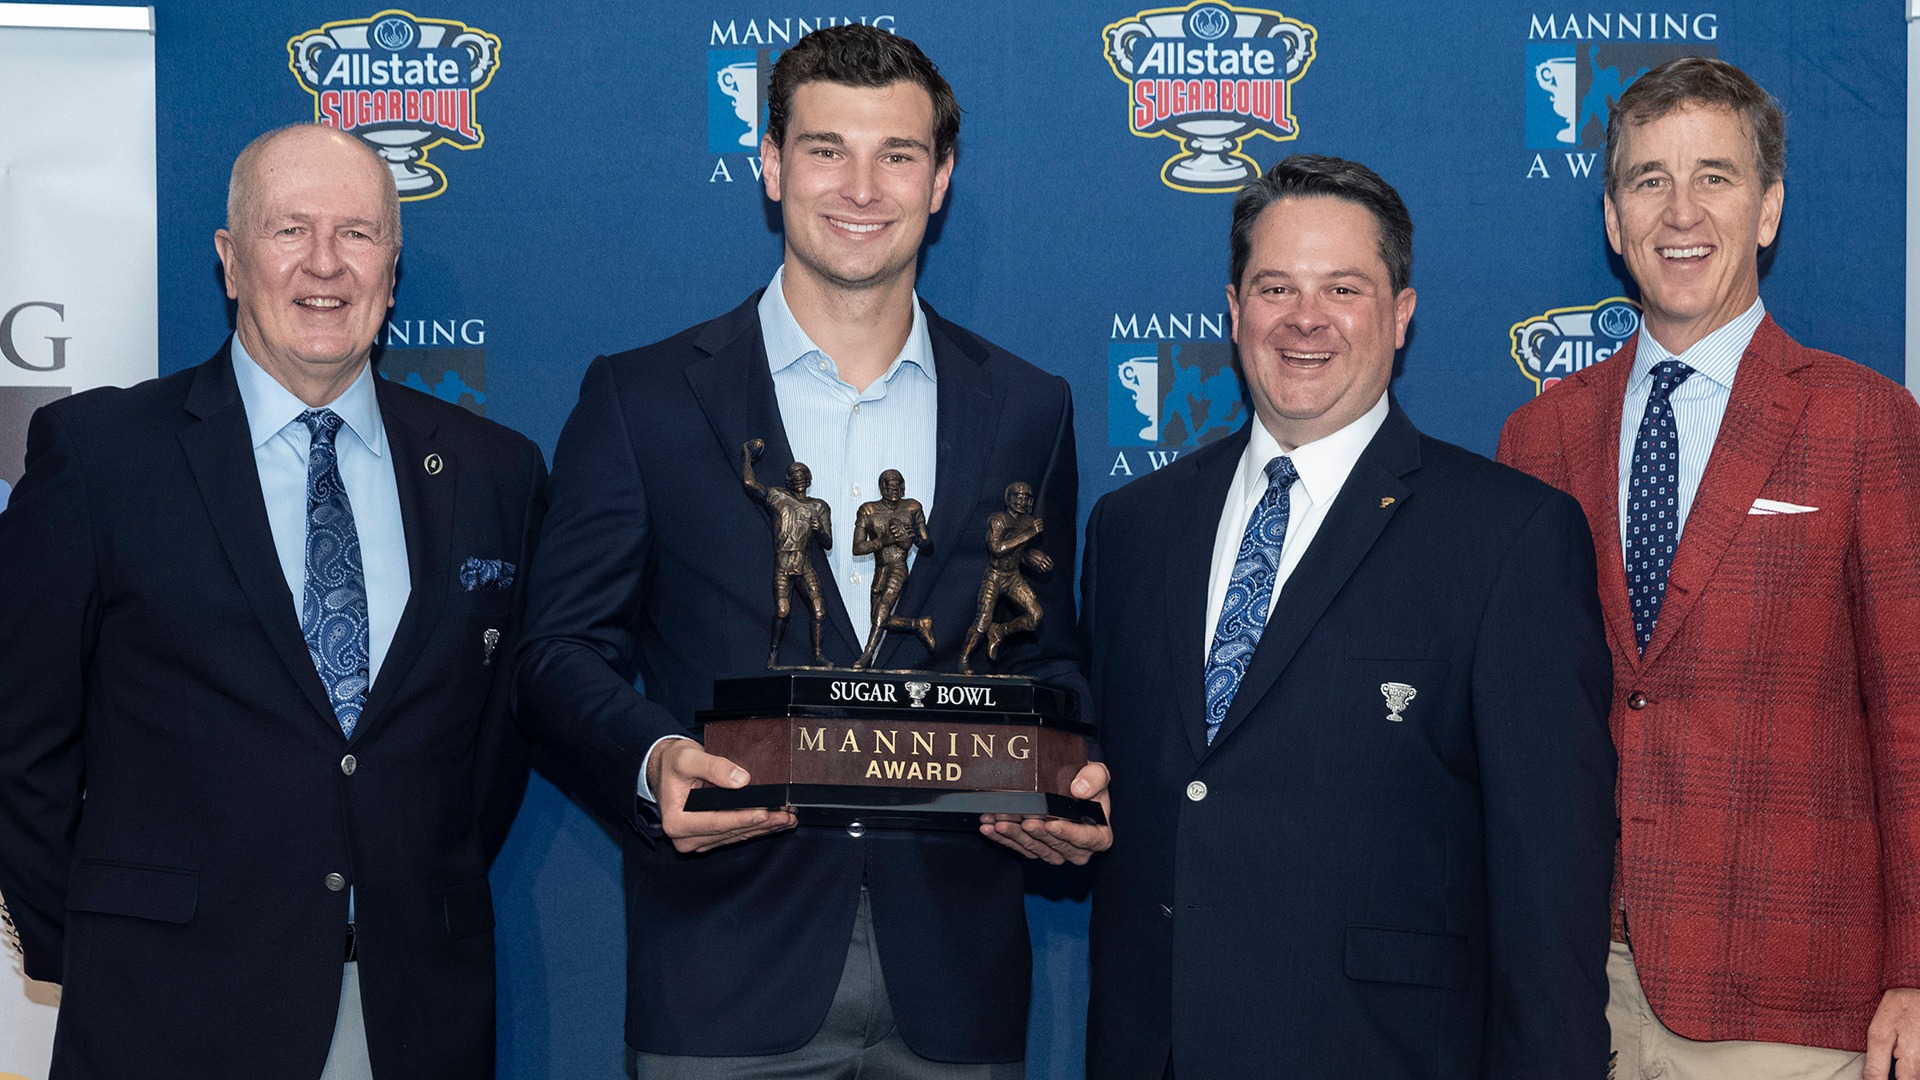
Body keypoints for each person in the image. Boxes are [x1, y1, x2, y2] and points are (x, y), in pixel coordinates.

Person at [513, 23, 1110, 1078]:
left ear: (942, 181)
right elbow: (558, 652)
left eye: (900, 154)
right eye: (828, 149)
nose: (862, 187)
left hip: (958, 988)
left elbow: (1043, 655)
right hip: (723, 976)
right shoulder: (643, 400)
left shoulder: (1029, 408)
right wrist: (653, 761)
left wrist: (1062, 785)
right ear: (773, 165)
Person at [0, 124, 545, 1080]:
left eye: (359, 234)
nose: (325, 264)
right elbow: (20, 744)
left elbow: (487, 757)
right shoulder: (100, 455)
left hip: (411, 1014)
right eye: (290, 229)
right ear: (230, 260)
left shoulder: (493, 471)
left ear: (391, 266)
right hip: (160, 1015)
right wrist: (103, 947)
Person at [1081, 154, 1616, 1079]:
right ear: (1233, 308)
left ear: (1401, 316)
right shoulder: (1134, 528)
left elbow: (1549, 888)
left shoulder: (1510, 536)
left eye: (1344, 288)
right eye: (1275, 286)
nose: (1305, 319)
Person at [1498, 56, 1920, 1080]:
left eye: (1715, 177)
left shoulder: (1863, 422)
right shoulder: (1539, 438)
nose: (1680, 211)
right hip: (1574, 993)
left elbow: (1912, 713)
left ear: (1769, 209)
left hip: (1789, 1002)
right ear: (1612, 217)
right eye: (1649, 179)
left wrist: (1916, 967)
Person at [743, 438, 834, 667]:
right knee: (783, 611)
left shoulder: (819, 506)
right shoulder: (777, 496)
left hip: (805, 565)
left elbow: (827, 542)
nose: (799, 478)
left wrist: (818, 528)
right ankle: (773, 652)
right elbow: (749, 483)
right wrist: (747, 456)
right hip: (783, 564)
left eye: (803, 474)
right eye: (794, 475)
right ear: (787, 480)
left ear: (810, 479)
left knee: (820, 612)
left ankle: (817, 655)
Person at [956, 481, 1049, 674]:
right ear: (1009, 498)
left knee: (1035, 616)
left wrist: (1034, 560)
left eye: (1025, 498)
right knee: (982, 621)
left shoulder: (1028, 521)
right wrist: (1027, 534)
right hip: (995, 576)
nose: (1021, 501)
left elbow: (1018, 554)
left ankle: (1001, 631)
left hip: (1013, 577)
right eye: (1017, 497)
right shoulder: (998, 520)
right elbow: (997, 549)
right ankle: (963, 659)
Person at [851, 467, 935, 669]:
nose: (894, 492)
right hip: (881, 568)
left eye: (897, 488)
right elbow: (858, 548)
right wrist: (885, 540)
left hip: (899, 565)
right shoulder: (868, 510)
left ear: (903, 488)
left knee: (883, 607)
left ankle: (866, 655)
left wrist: (914, 538)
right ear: (882, 488)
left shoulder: (913, 507)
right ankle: (919, 624)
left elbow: (927, 543)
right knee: (879, 618)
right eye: (889, 488)